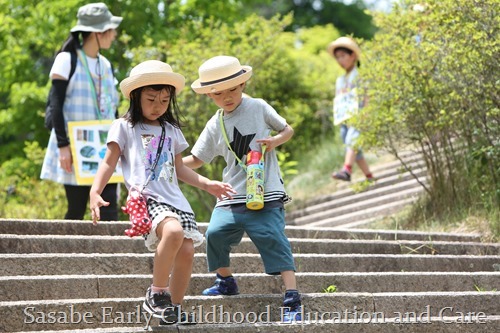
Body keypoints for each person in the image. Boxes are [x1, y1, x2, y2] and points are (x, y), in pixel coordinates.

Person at [89, 60, 235, 324]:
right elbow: (109, 161)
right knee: (173, 232)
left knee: (188, 251)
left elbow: (179, 168)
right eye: (151, 99)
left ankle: (173, 310)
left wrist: (207, 184)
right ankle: (156, 294)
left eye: (164, 100)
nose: (158, 106)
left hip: (176, 200)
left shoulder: (171, 130)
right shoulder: (124, 127)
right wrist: (95, 191)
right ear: (135, 97)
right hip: (148, 199)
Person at [183, 55, 302, 322]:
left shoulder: (258, 107)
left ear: (243, 85)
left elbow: (287, 130)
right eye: (218, 93)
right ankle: (225, 281)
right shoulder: (215, 123)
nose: (227, 97)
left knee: (273, 237)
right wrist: (170, 161)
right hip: (231, 192)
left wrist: (274, 141)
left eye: (232, 90)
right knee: (215, 233)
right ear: (210, 95)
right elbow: (198, 160)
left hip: (265, 188)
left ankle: (292, 296)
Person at [40, 2, 122, 220]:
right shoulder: (66, 59)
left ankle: (108, 254)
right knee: (76, 208)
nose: (114, 35)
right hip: (76, 148)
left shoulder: (106, 65)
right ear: (98, 32)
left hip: (104, 148)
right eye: (111, 30)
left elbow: (112, 109)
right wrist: (63, 145)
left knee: (109, 209)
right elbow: (56, 105)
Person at [327, 36, 374, 182]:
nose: (340, 60)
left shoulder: (360, 75)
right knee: (353, 147)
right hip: (344, 117)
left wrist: (366, 112)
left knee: (352, 140)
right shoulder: (340, 80)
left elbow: (367, 94)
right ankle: (369, 176)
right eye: (337, 57)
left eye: (343, 56)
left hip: (358, 114)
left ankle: (346, 169)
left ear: (352, 55)